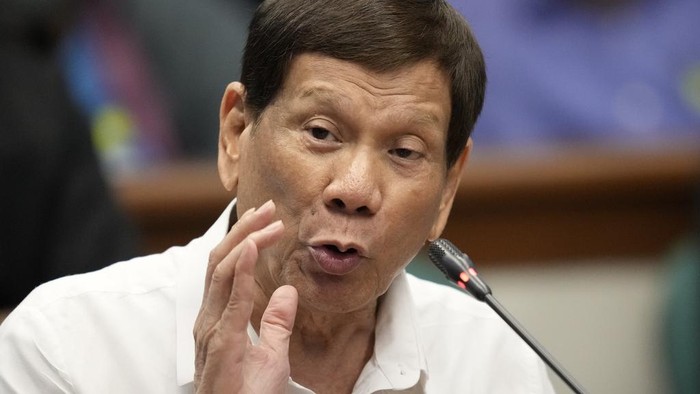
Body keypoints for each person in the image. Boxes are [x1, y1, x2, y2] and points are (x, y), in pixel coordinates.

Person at [0, 0, 555, 392]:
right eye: (320, 133)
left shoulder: (496, 363)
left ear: (447, 189)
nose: (355, 191)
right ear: (236, 135)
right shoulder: (63, 348)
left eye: (405, 152)